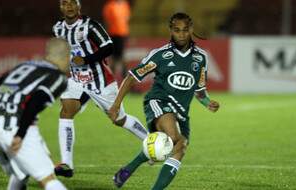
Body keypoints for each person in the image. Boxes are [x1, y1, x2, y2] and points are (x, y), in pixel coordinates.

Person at [108, 13, 220, 190]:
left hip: (181, 112)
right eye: (177, 30)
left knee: (179, 148)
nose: (181, 34)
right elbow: (131, 77)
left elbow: (199, 91)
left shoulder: (200, 58)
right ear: (171, 30)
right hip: (158, 102)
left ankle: (128, 169)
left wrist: (208, 103)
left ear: (191, 30)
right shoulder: (160, 55)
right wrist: (116, 105)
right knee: (174, 138)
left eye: (185, 30)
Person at [53, 0, 148, 177]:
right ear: (61, 7)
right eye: (65, 3)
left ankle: (150, 140)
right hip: (76, 80)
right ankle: (67, 164)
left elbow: (109, 47)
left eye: (72, 3)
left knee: (118, 119)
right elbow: (62, 52)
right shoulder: (57, 28)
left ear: (78, 6)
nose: (69, 7)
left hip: (100, 80)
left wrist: (86, 60)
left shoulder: (90, 25)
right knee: (66, 112)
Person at [0, 38, 70, 190]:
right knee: (48, 178)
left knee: (22, 172)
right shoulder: (58, 77)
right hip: (13, 126)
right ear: (65, 56)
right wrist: (20, 134)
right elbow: (35, 102)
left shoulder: (25, 65)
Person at [103, 0, 131, 75]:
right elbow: (107, 21)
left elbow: (127, 18)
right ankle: (121, 74)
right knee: (116, 55)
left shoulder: (124, 4)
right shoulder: (110, 6)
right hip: (114, 34)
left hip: (122, 33)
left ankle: (120, 74)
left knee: (118, 54)